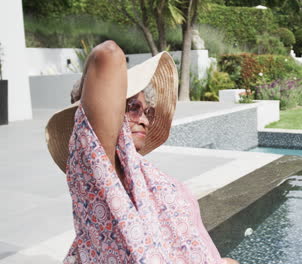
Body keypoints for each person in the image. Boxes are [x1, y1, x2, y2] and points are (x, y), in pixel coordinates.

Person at [45, 40, 239, 264]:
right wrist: (84, 92)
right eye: (133, 108)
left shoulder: (136, 175)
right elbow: (107, 54)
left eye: (147, 111)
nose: (145, 120)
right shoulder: (102, 176)